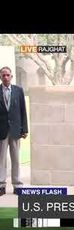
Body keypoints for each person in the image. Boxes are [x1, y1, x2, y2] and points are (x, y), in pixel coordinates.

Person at [0, 66, 28, 194]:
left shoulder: (18, 90)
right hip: (1, 130)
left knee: (16, 159)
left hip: (16, 130)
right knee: (1, 159)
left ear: (11, 76)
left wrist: (24, 129)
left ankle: (17, 185)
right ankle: (1, 185)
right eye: (3, 75)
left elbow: (23, 111)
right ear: (0, 77)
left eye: (7, 75)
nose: (5, 77)